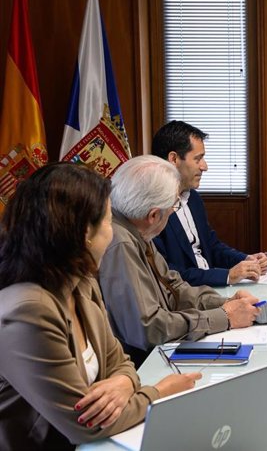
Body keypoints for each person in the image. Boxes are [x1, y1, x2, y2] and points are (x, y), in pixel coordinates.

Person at [0, 163, 200, 450]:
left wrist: (125, 383)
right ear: (84, 233)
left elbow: (121, 362)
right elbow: (86, 425)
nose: (114, 231)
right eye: (108, 221)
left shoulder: (81, 282)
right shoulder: (28, 310)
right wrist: (158, 393)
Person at [98, 155, 261, 366]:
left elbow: (174, 287)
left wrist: (225, 303)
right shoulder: (120, 244)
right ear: (154, 215)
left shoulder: (137, 230)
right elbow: (148, 329)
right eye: (174, 208)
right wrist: (224, 317)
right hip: (141, 364)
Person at [151, 120, 267, 287]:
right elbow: (169, 274)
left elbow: (212, 246)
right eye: (198, 159)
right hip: (187, 298)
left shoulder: (193, 199)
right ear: (174, 159)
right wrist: (227, 276)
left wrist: (246, 260)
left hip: (212, 290)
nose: (204, 167)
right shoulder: (153, 209)